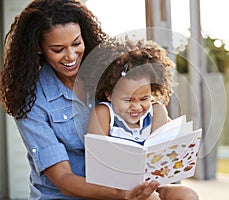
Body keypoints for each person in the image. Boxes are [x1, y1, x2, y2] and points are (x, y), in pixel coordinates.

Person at [0, 0, 162, 199]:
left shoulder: (108, 74)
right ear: (39, 48)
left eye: (76, 43)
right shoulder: (31, 98)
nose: (70, 56)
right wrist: (121, 194)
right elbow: (63, 179)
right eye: (58, 49)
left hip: (122, 186)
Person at [87, 38, 199, 200]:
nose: (137, 107)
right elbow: (96, 159)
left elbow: (162, 151)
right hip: (116, 191)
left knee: (187, 194)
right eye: (128, 100)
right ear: (110, 94)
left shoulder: (157, 111)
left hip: (152, 184)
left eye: (144, 98)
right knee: (150, 198)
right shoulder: (104, 113)